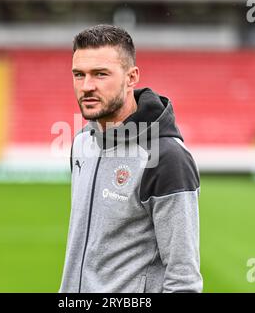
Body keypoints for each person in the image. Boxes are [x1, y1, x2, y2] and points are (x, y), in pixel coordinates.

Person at [59, 24, 202, 293]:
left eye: (100, 74)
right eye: (79, 75)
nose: (87, 86)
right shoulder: (81, 142)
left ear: (131, 77)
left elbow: (184, 279)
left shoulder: (165, 157)